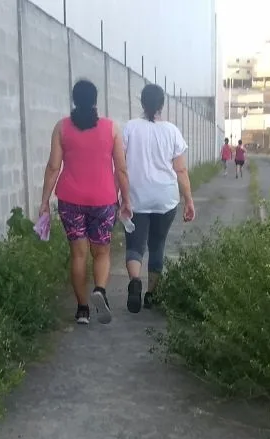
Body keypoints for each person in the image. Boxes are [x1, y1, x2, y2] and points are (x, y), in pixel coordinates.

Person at [39, 79, 132, 325]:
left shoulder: (61, 128)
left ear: (73, 99)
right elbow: (121, 169)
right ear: (95, 100)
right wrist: (126, 200)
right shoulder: (111, 129)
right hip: (103, 200)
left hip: (70, 200)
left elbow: (52, 167)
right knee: (101, 252)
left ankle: (82, 310)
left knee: (78, 255)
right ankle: (99, 290)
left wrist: (44, 201)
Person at [121, 84, 196, 314]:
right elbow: (181, 170)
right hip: (165, 198)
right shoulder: (172, 131)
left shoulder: (130, 128)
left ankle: (135, 281)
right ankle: (152, 295)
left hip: (136, 197)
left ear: (141, 103)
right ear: (161, 105)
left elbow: (119, 166)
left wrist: (120, 196)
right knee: (157, 245)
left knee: (135, 245)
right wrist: (188, 200)